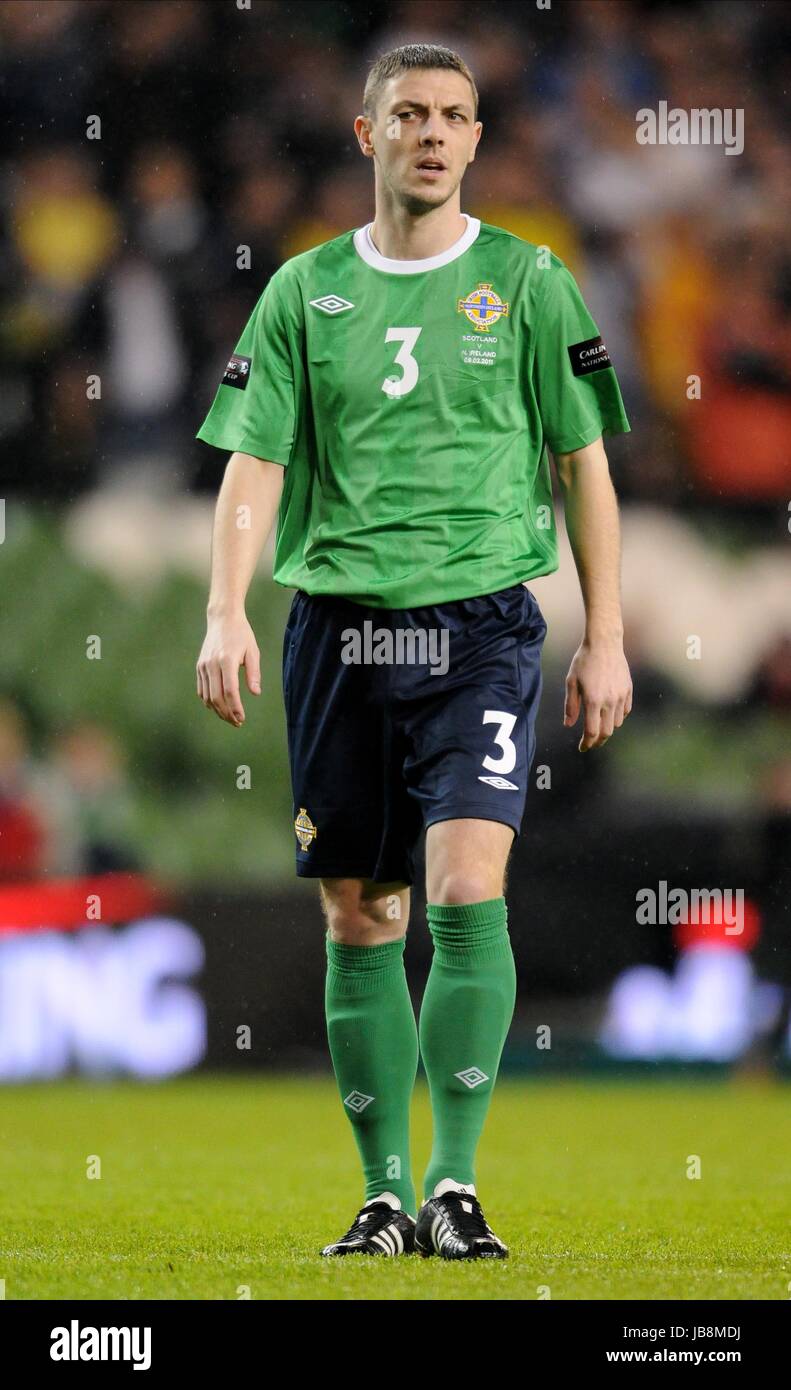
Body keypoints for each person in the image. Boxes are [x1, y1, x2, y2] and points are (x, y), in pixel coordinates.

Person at [195, 43, 632, 1261]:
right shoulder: (301, 292)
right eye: (408, 115)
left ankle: (454, 1185)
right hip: (337, 631)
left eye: (452, 116)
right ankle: (382, 1195)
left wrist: (604, 632)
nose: (430, 134)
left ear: (477, 140)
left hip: (480, 628)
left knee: (463, 889)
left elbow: (581, 464)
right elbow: (254, 463)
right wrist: (225, 606)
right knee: (359, 917)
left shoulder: (530, 282)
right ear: (364, 134)